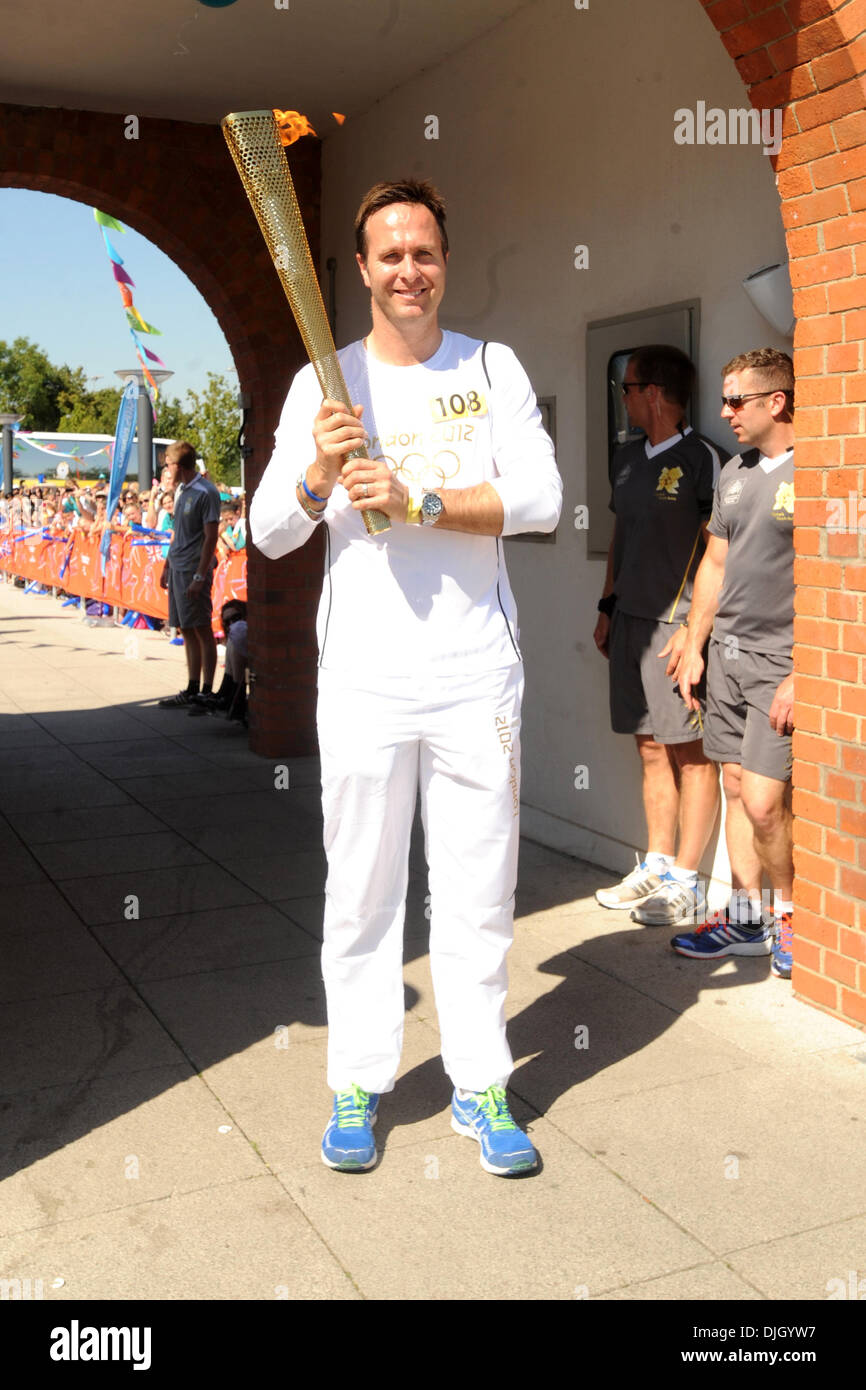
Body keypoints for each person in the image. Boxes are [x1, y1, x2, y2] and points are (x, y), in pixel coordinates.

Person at [250, 178, 561, 1176]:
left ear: (442, 260)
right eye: (389, 256)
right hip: (366, 678)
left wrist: (417, 496)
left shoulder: (490, 367)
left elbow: (542, 500)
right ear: (361, 269)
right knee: (363, 888)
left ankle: (478, 1082)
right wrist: (315, 475)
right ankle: (360, 1076)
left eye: (422, 252)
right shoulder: (322, 383)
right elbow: (268, 529)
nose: (407, 271)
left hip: (477, 674)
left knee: (477, 892)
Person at [669, 348, 795, 979]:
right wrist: (694, 643)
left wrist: (806, 672)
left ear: (777, 401)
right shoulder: (735, 472)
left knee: (767, 803)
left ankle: (793, 916)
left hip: (781, 663)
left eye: (736, 401)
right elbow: (714, 563)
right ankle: (748, 918)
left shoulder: (821, 471)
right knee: (737, 786)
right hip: (727, 659)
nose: (725, 413)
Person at [593, 346, 727, 926]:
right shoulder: (625, 458)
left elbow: (724, 553)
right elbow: (622, 535)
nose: (622, 399)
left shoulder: (705, 460)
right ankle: (658, 862)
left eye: (627, 388)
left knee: (692, 756)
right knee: (648, 748)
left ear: (651, 392)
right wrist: (606, 605)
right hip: (629, 624)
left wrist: (696, 633)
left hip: (677, 633)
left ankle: (688, 882)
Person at [157, 441, 221, 711]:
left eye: (167, 464)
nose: (165, 468)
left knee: (202, 628)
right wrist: (167, 565)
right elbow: (179, 533)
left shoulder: (206, 492)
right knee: (188, 628)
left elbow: (210, 538)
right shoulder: (182, 490)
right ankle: (192, 686)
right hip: (178, 567)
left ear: (177, 465)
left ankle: (207, 691)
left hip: (194, 570)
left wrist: (199, 575)